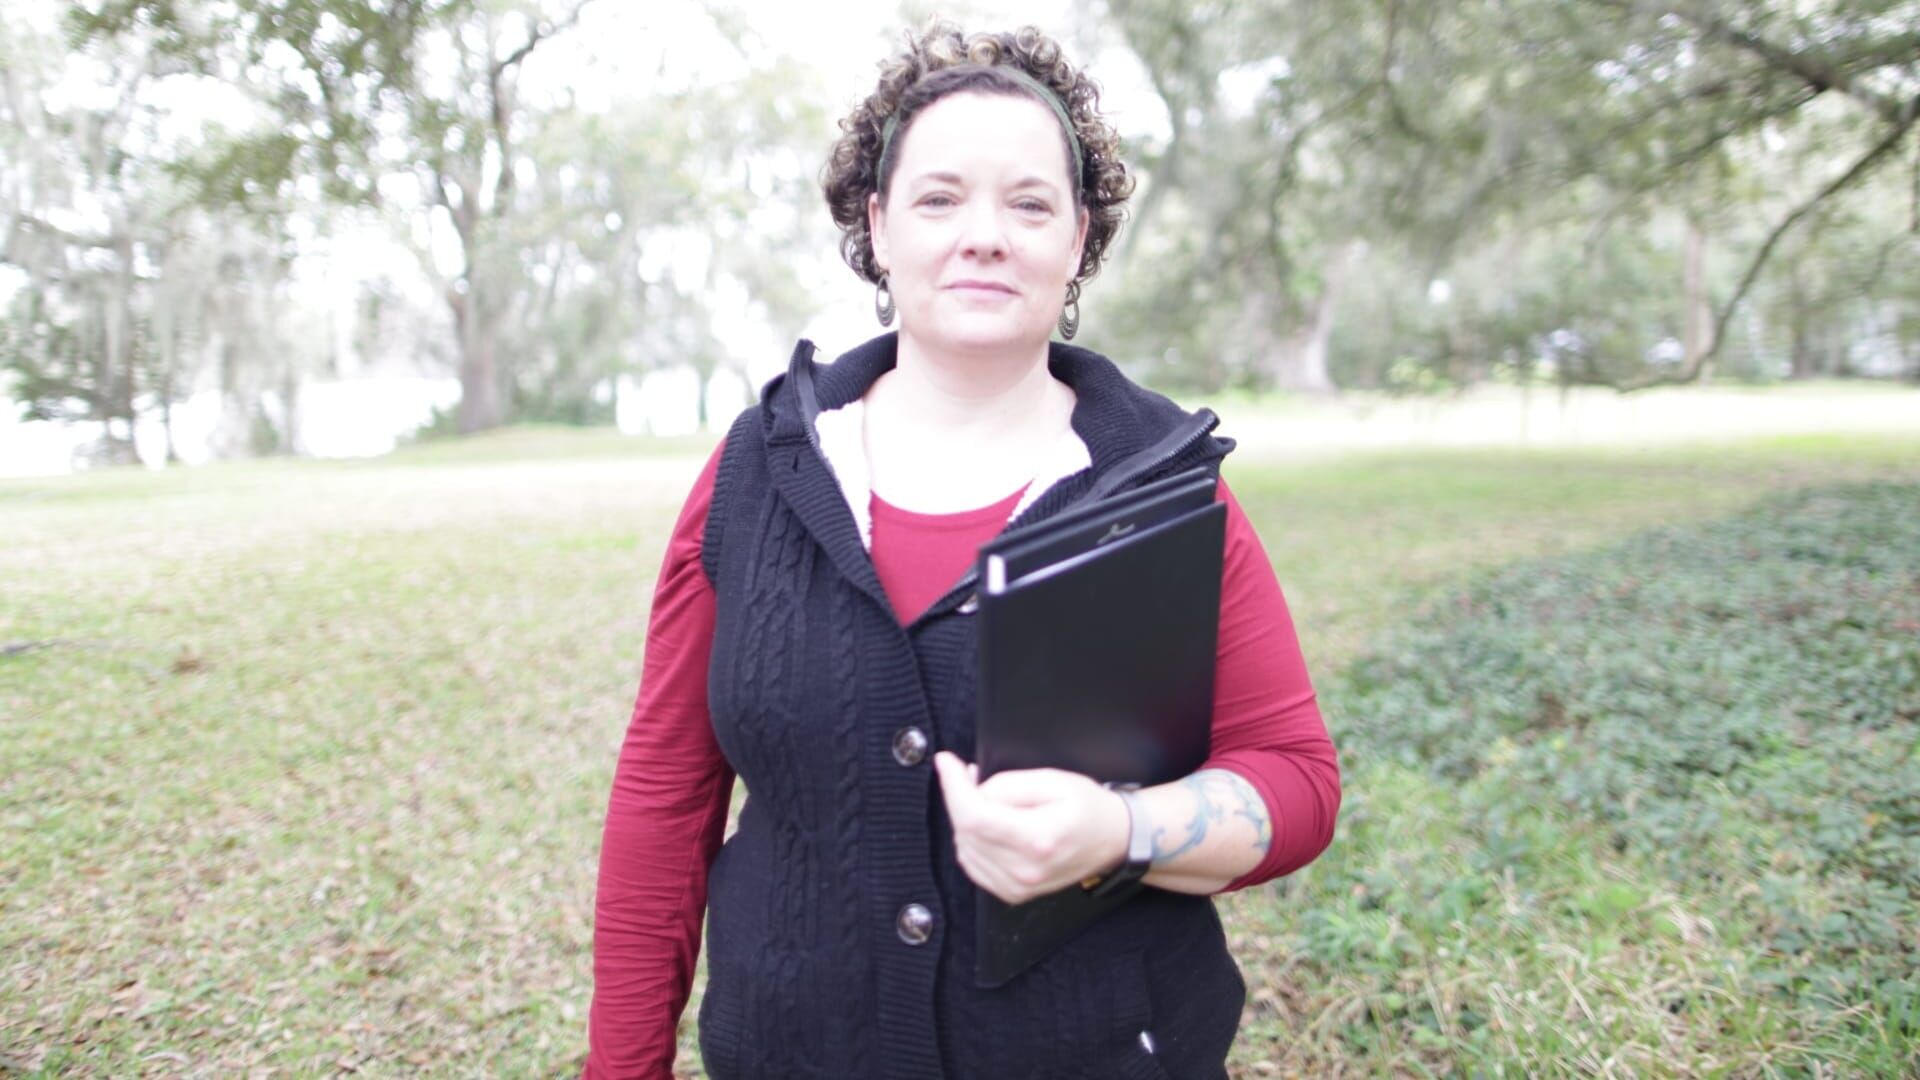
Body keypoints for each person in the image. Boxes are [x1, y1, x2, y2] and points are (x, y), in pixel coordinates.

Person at [584, 23, 1340, 1080]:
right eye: (940, 199)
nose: (984, 236)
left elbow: (1296, 781)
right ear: (878, 225)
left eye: (1029, 204)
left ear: (1077, 239)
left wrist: (1120, 830)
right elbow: (666, 797)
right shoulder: (757, 471)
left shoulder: (1165, 484)